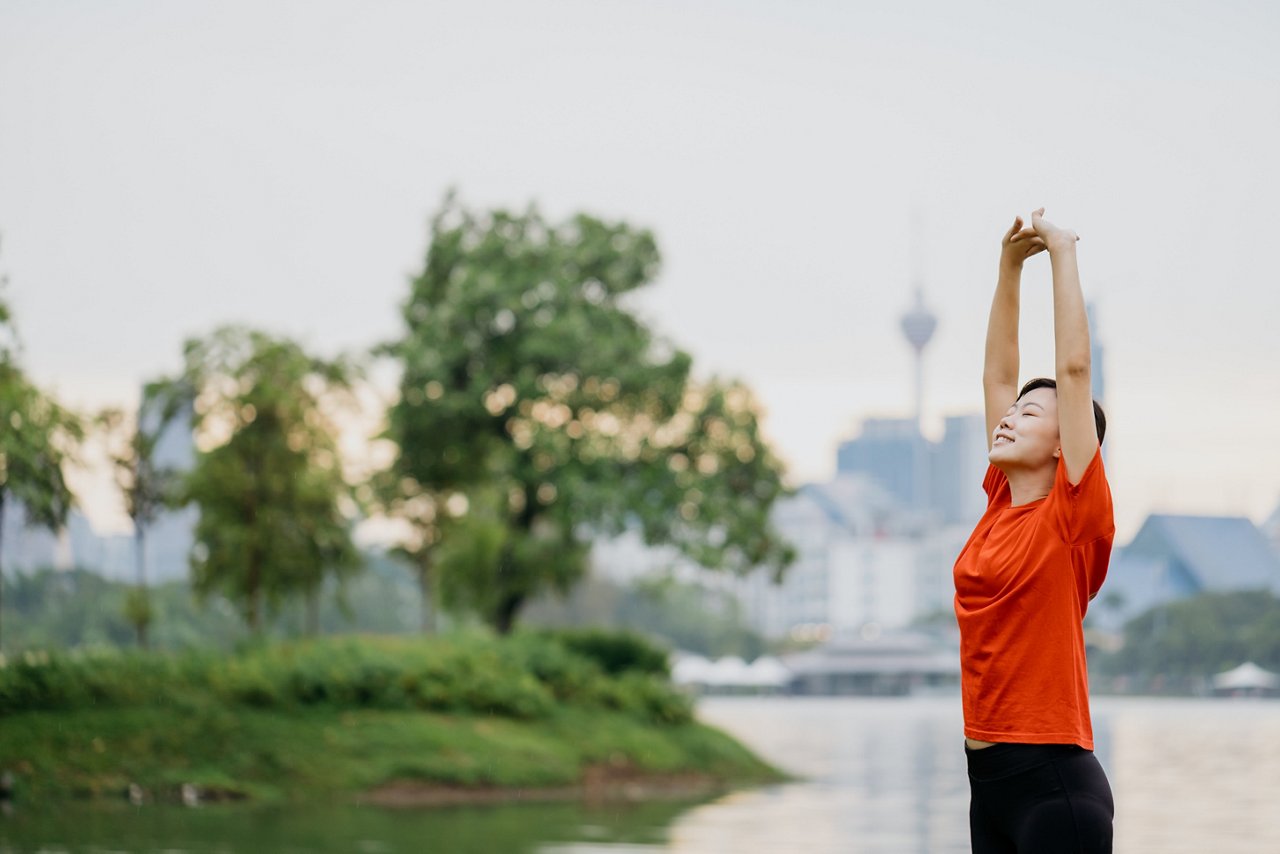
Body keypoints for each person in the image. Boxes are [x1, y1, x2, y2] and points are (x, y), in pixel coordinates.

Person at [952, 208, 1116, 853]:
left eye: (1033, 410)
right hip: (987, 783)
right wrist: (1010, 265)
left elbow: (1073, 372)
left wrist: (1063, 251)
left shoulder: (1072, 520)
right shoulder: (998, 504)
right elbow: (997, 373)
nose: (1012, 414)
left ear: (1063, 447)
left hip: (1053, 787)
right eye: (1016, 408)